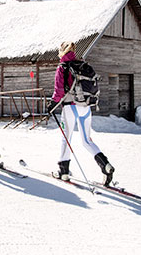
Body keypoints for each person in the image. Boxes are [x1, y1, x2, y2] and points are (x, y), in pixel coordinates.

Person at [47, 41, 115, 186]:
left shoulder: (63, 67)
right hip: (85, 107)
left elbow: (59, 91)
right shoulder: (82, 65)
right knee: (86, 140)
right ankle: (105, 165)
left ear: (61, 51)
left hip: (70, 107)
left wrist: (52, 104)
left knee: (67, 138)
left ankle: (63, 172)